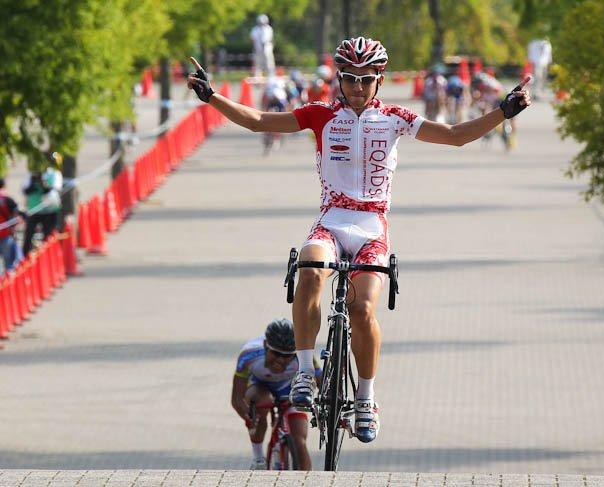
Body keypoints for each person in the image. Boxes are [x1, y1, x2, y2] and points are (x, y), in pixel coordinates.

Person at [188, 36, 530, 444]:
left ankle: (366, 399)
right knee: (310, 271)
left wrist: (503, 112)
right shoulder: (319, 114)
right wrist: (211, 97)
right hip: (331, 221)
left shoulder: (396, 118)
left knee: (363, 309)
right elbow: (261, 121)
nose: (357, 86)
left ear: (379, 80)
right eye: (349, 78)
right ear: (339, 78)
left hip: (371, 227)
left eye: (366, 79)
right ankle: (304, 371)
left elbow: (455, 134)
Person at [231, 319, 321, 470]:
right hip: (259, 387)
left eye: (287, 356)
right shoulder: (249, 356)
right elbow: (236, 398)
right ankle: (258, 458)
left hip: (289, 389)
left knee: (299, 441)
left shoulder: (304, 356)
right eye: (276, 353)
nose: (280, 360)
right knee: (263, 401)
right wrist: (248, 417)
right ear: (266, 346)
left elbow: (322, 382)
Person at [22, 153, 63, 256]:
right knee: (28, 235)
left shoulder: (54, 174)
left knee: (48, 236)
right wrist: (33, 182)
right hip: (34, 210)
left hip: (50, 210)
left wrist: (43, 183)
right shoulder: (31, 175)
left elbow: (53, 191)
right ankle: (25, 258)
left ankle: (49, 257)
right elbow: (25, 190)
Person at [0, 178, 23, 273]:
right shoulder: (6, 199)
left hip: (5, 234)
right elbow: (19, 214)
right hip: (5, 234)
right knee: (9, 264)